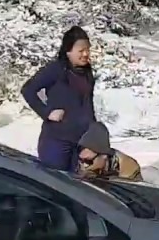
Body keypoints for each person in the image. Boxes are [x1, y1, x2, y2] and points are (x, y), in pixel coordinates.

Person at [21, 26, 96, 172]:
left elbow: (88, 105)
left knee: (76, 187)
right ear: (68, 51)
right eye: (81, 51)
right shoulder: (55, 69)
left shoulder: (87, 72)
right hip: (56, 142)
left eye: (88, 50)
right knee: (55, 186)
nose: (86, 54)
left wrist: (93, 134)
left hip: (80, 141)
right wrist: (47, 112)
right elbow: (28, 89)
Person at [75, 121, 143, 181]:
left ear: (104, 156)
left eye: (88, 161)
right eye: (81, 160)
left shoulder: (129, 167)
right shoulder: (85, 158)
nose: (83, 166)